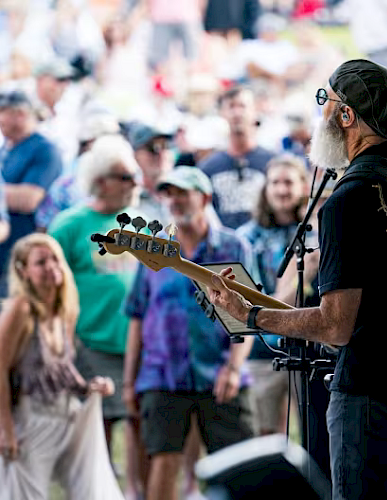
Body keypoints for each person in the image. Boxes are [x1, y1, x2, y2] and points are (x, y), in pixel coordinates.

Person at [207, 59, 387, 499]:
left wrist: (250, 314)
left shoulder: (346, 199)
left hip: (372, 393)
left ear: (347, 116)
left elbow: (334, 326)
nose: (320, 112)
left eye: (326, 101)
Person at [122, 166, 255, 500]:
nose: (175, 200)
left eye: (183, 192)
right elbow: (137, 315)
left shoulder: (233, 246)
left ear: (205, 197)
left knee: (238, 466)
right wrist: (129, 382)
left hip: (220, 372)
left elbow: (251, 315)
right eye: (169, 193)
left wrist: (234, 367)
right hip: (163, 374)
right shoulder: (153, 250)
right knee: (163, 462)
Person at [48, 134, 144, 498]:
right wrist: (64, 339)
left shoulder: (140, 222)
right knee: (97, 424)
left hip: (136, 342)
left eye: (135, 175)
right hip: (90, 341)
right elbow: (51, 289)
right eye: (125, 177)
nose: (134, 182)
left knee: (140, 423)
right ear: (100, 180)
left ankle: (135, 490)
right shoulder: (69, 225)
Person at [0, 233, 124, 500]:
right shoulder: (21, 310)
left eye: (55, 259)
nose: (51, 267)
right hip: (32, 417)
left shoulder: (66, 309)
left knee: (95, 490)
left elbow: (61, 370)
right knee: (23, 493)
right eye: (40, 262)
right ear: (23, 271)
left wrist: (90, 386)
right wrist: (5, 429)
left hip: (67, 412)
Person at [237, 154, 312, 435]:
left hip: (307, 348)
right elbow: (251, 297)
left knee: (313, 432)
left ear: (304, 187)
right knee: (266, 434)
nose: (282, 189)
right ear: (265, 189)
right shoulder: (247, 238)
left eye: (289, 182)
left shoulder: (314, 233)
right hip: (262, 349)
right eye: (275, 182)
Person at [0, 89, 63, 298]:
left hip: (24, 252)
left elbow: (29, 199)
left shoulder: (44, 149)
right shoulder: (7, 147)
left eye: (2, 111)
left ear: (19, 114)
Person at [199, 86, 274, 229]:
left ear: (254, 111)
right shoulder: (208, 167)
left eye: (242, 106)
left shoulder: (272, 162)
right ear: (221, 113)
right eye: (231, 107)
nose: (237, 113)